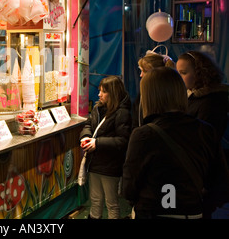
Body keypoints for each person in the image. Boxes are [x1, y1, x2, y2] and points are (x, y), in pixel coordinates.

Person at [122, 67, 229, 219]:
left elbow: (129, 189)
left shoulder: (144, 135)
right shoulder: (206, 130)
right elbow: (221, 184)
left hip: (153, 212)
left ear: (149, 97)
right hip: (195, 213)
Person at [79, 76, 131, 219]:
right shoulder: (97, 108)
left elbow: (123, 140)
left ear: (113, 93)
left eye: (103, 92)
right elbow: (88, 125)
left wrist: (97, 143)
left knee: (112, 203)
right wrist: (85, 136)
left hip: (110, 167)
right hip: (94, 163)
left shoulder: (122, 113)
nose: (99, 94)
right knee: (95, 200)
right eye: (99, 90)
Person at [176, 50, 228, 140]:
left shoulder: (211, 102)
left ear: (199, 73)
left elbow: (204, 138)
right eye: (177, 73)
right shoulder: (190, 96)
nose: (178, 77)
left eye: (183, 73)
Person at [132, 52, 175, 129]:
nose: (141, 75)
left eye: (144, 71)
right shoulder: (141, 96)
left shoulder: (167, 98)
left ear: (155, 74)